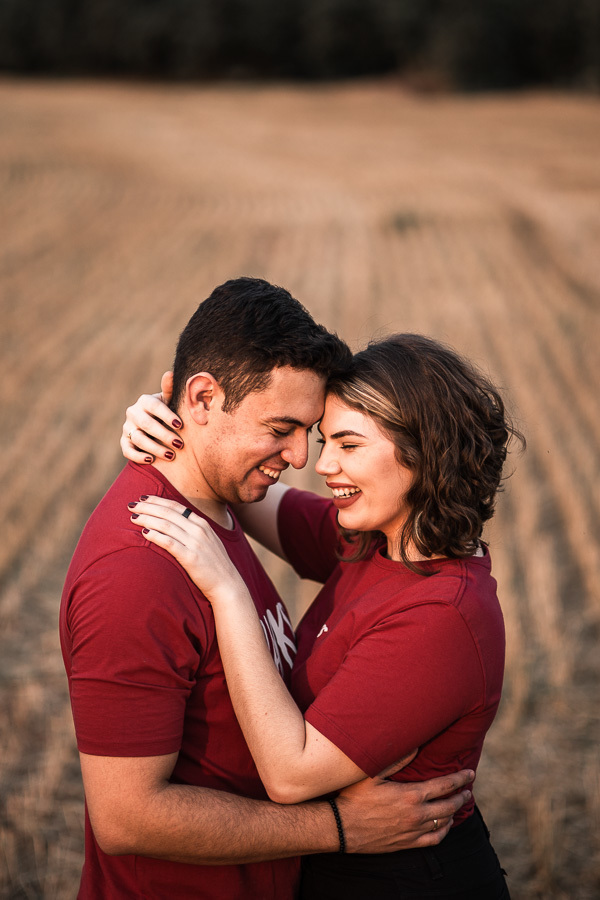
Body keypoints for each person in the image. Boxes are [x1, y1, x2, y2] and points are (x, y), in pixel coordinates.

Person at [61, 279, 473, 900]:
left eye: (319, 432)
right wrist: (338, 828)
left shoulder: (225, 511)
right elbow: (125, 819)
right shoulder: (135, 575)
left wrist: (175, 424)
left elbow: (253, 487)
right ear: (202, 398)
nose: (305, 457)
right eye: (283, 427)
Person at [123, 331, 523, 898]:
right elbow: (239, 486)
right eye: (322, 439)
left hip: (402, 880)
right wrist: (171, 428)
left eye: (349, 445)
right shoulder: (374, 542)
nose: (321, 463)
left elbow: (290, 774)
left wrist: (228, 592)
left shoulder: (443, 616)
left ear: (424, 451)